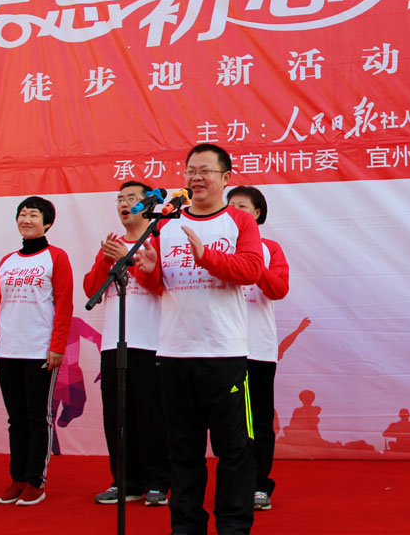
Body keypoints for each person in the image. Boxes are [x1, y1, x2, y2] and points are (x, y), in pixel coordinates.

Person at [134, 143, 262, 535]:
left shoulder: (239, 222)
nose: (196, 178)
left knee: (234, 449)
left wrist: (206, 256)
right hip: (174, 352)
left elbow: (252, 270)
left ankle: (233, 526)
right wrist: (149, 271)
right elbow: (159, 287)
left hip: (223, 353)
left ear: (225, 179)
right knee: (184, 451)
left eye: (205, 171)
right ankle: (186, 526)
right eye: (191, 170)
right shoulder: (166, 225)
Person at [83, 181, 169, 506]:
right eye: (119, 198)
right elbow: (93, 290)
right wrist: (107, 262)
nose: (123, 203)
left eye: (131, 198)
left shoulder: (161, 240)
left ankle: (158, 482)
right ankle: (125, 482)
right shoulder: (114, 244)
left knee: (152, 415)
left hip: (152, 342)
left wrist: (130, 262)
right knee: (117, 416)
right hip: (113, 343)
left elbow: (164, 286)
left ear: (147, 205)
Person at [0, 196, 73, 506]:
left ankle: (36, 480)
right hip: (8, 350)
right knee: (16, 419)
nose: (26, 219)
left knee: (39, 418)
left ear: (47, 223)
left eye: (34, 215)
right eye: (22, 214)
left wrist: (57, 347)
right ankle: (17, 479)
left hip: (39, 351)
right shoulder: (8, 261)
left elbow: (64, 304)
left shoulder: (56, 257)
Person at [227, 185, 290, 511]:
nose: (234, 212)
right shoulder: (217, 246)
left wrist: (253, 264)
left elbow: (279, 289)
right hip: (220, 349)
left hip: (257, 350)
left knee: (259, 422)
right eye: (230, 206)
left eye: (242, 207)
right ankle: (233, 484)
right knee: (228, 424)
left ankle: (259, 485)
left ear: (257, 214)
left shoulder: (269, 248)